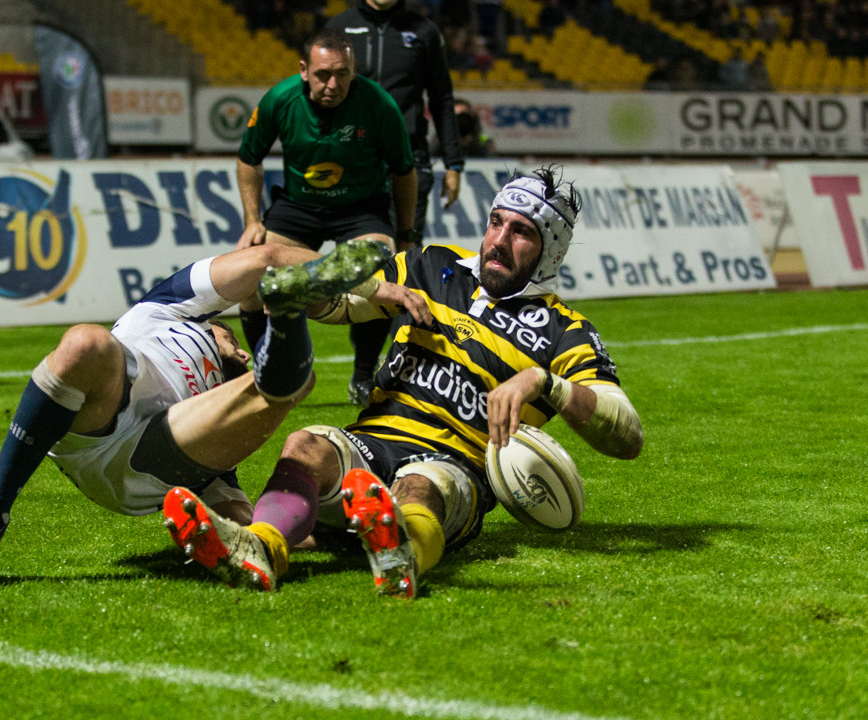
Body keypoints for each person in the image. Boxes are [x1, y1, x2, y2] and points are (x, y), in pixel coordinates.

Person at [163, 166, 644, 599]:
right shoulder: (432, 265)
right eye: (496, 221)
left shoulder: (564, 330)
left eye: (521, 232)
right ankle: (261, 548)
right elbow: (329, 307)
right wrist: (369, 288)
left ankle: (401, 556)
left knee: (421, 483)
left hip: (457, 465)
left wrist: (543, 382)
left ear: (549, 249)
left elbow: (627, 434)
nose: (499, 239)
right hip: (373, 444)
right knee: (305, 445)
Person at [0, 240, 432, 591]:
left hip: (162, 455)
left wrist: (308, 537)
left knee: (279, 410)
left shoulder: (226, 409)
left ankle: (288, 315)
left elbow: (234, 521)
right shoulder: (165, 309)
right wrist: (372, 286)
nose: (234, 344)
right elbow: (267, 256)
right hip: (101, 420)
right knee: (86, 342)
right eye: (232, 335)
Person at [234, 28, 418, 378]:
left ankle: (364, 373)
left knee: (379, 273)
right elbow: (248, 159)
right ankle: (266, 373)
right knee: (252, 281)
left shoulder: (379, 104)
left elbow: (404, 171)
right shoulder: (280, 99)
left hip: (362, 209)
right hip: (299, 207)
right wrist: (253, 220)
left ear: (354, 69)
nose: (332, 84)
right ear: (304, 69)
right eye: (322, 74)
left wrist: (406, 232)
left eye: (342, 74)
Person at [324, 0, 466, 408]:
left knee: (400, 268)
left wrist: (453, 162)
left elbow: (442, 97)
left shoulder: (423, 32)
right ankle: (363, 369)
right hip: (354, 168)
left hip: (410, 166)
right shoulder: (339, 28)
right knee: (366, 271)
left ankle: (383, 373)